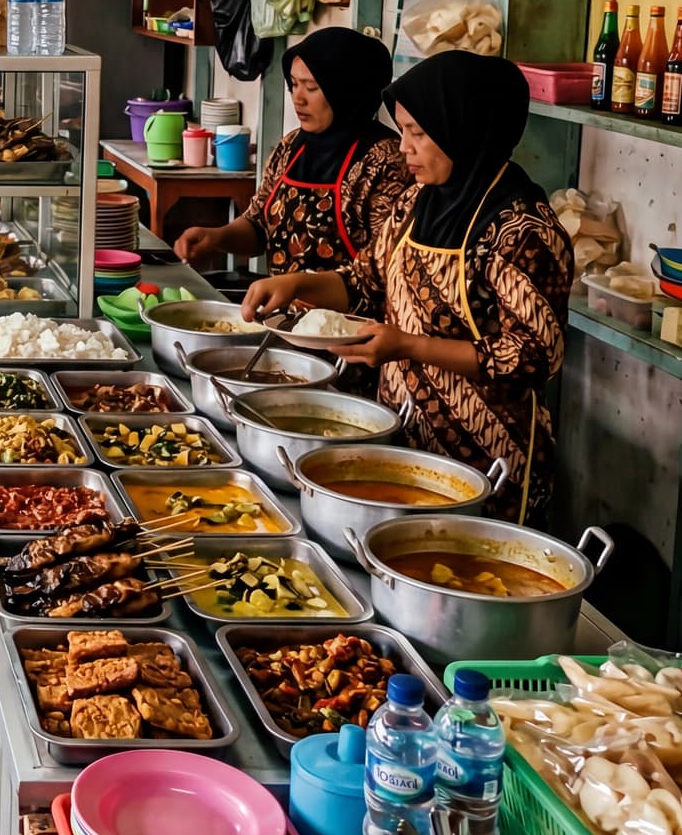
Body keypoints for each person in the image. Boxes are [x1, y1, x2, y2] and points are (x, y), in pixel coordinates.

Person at [242, 51, 574, 523]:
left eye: (418, 134)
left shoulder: (523, 231)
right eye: (403, 132)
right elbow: (364, 280)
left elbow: (532, 356)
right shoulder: (418, 202)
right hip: (402, 434)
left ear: (464, 128)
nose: (404, 149)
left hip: (490, 461)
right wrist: (295, 284)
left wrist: (409, 346)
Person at [175, 27, 410, 274]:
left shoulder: (385, 160)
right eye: (293, 85)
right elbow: (259, 226)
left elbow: (382, 270)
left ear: (346, 90)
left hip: (344, 313)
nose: (298, 98)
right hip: (281, 308)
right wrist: (215, 238)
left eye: (311, 88)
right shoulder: (291, 146)